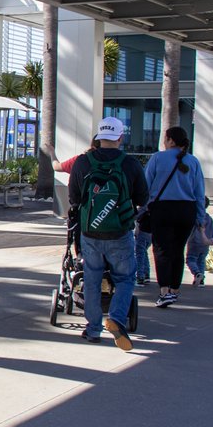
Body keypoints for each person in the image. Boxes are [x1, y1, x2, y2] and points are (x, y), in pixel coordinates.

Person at [68, 116, 148, 350]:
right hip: (120, 232)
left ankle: (93, 329)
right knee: (124, 278)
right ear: (120, 138)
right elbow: (143, 198)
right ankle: (116, 318)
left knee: (91, 278)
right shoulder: (130, 164)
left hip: (90, 232)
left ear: (99, 137)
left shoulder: (83, 162)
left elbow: (73, 198)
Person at [144, 126, 206, 309]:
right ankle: (174, 289)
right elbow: (199, 192)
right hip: (186, 210)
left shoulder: (157, 158)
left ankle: (164, 291)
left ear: (170, 140)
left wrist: (142, 209)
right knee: (178, 249)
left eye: (165, 138)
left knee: (161, 249)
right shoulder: (193, 161)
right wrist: (200, 217)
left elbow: (146, 186)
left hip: (162, 209)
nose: (164, 141)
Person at [185, 199, 213, 286]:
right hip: (205, 243)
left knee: (191, 259)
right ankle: (201, 280)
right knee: (201, 261)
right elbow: (212, 231)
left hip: (194, 241)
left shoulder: (195, 217)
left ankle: (196, 273)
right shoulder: (209, 218)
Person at [134, 222, 152, 286]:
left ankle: (140, 277)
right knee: (143, 252)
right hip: (150, 230)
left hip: (143, 229)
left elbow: (139, 216)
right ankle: (146, 274)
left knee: (139, 254)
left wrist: (137, 227)